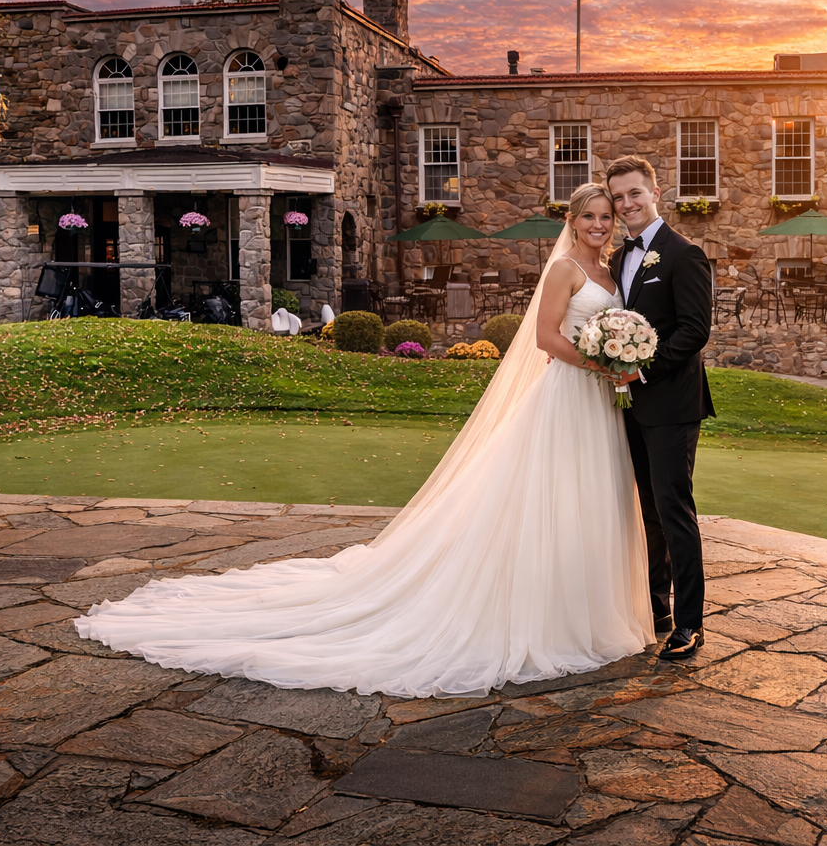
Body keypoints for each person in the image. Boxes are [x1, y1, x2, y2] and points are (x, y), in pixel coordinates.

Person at [75, 183, 654, 698]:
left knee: (590, 501)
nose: (601, 224)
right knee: (551, 501)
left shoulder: (613, 270)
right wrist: (600, 363)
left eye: (607, 216)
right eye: (591, 217)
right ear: (572, 221)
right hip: (568, 394)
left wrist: (619, 359)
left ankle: (584, 609)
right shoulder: (564, 271)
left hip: (602, 403)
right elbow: (546, 339)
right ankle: (543, 617)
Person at [605, 156, 715, 660]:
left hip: (671, 404)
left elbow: (694, 331)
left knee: (674, 510)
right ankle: (657, 609)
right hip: (627, 406)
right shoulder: (616, 260)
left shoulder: (683, 254)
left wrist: (642, 370)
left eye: (635, 194)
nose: (627, 204)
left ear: (655, 192)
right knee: (646, 511)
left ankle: (689, 623)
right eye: (619, 197)